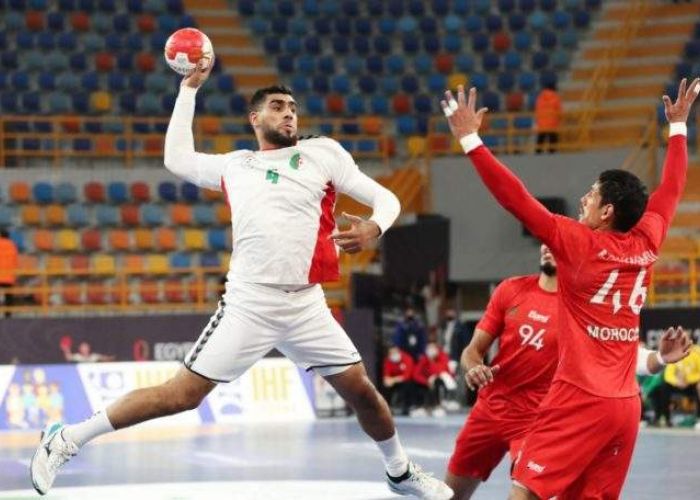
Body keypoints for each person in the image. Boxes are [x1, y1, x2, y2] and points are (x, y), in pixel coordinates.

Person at [30, 59, 452, 500]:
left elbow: (384, 197)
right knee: (181, 395)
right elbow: (176, 158)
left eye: (292, 107)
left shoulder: (324, 153)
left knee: (362, 392)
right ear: (255, 119)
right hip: (250, 303)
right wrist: (189, 89)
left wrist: (374, 227)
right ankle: (66, 438)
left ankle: (399, 472)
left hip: (307, 304)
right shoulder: (237, 166)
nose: (289, 113)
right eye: (277, 106)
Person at [441, 78, 699, 499]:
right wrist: (678, 128)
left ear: (608, 210)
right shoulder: (648, 240)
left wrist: (470, 140)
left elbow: (516, 200)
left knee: (524, 492)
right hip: (625, 406)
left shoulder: (579, 244)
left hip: (578, 399)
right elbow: (671, 188)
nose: (584, 199)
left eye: (592, 195)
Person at [445, 245, 692, 499]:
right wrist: (474, 367)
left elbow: (626, 355)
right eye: (544, 241)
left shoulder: (584, 306)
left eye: (557, 242)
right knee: (450, 494)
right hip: (489, 411)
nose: (546, 247)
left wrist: (660, 357)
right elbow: (472, 351)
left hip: (537, 420)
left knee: (525, 494)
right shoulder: (511, 289)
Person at [650, 343, 700, 428]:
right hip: (677, 384)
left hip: (691, 385)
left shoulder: (695, 355)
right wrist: (677, 382)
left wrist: (688, 380)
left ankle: (699, 418)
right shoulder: (675, 355)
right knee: (661, 388)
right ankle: (665, 418)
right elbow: (668, 375)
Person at [412, 341, 457, 417]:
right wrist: (426, 381)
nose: (431, 350)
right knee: (415, 384)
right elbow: (416, 374)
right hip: (427, 381)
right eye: (429, 348)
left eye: (433, 348)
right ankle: (422, 407)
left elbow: (443, 371)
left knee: (437, 382)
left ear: (437, 349)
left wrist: (432, 363)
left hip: (442, 380)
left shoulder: (443, 356)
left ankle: (437, 406)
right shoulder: (424, 359)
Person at [383, 345, 415, 416]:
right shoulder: (388, 360)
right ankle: (388, 407)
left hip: (406, 381)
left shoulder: (407, 358)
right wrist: (387, 380)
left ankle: (406, 408)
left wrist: (394, 379)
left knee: (407, 385)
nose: (393, 355)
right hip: (394, 382)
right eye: (391, 353)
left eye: (395, 352)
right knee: (386, 386)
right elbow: (386, 374)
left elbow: (407, 375)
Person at [533, 82, 561, 154]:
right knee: (553, 142)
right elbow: (559, 111)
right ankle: (552, 155)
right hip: (552, 123)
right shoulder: (555, 97)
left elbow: (537, 109)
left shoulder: (540, 97)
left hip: (541, 123)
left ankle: (537, 154)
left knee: (540, 141)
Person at [0, 228, 19, 318]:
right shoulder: (12, 245)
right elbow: (15, 262)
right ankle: (8, 316)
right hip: (9, 277)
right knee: (9, 297)